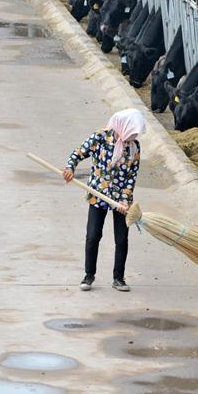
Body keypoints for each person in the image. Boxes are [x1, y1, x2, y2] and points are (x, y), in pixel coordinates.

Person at [63, 108, 146, 291]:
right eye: (132, 132)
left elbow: (131, 176)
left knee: (122, 239)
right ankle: (88, 275)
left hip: (121, 202)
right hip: (98, 195)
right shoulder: (100, 137)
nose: (133, 136)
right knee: (93, 236)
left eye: (136, 133)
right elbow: (78, 153)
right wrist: (70, 168)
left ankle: (119, 278)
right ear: (122, 126)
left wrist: (125, 200)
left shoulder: (134, 147)